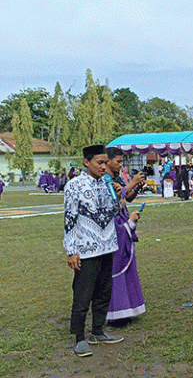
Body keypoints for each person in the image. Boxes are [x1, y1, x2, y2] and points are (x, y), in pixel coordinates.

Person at [63, 145, 123, 357]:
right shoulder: (74, 186)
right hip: (86, 249)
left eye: (106, 162)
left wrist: (118, 196)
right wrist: (71, 250)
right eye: (100, 162)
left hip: (107, 246)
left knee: (104, 291)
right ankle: (79, 338)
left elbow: (114, 213)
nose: (104, 166)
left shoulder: (107, 184)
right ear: (86, 162)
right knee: (83, 295)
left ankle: (98, 331)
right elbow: (69, 219)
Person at [105, 147, 146, 323]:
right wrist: (130, 183)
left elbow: (126, 198)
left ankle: (128, 307)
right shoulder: (105, 179)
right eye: (118, 162)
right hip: (114, 225)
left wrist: (135, 187)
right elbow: (113, 201)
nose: (120, 165)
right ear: (107, 161)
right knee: (116, 265)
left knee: (127, 262)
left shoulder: (116, 178)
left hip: (123, 220)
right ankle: (116, 311)